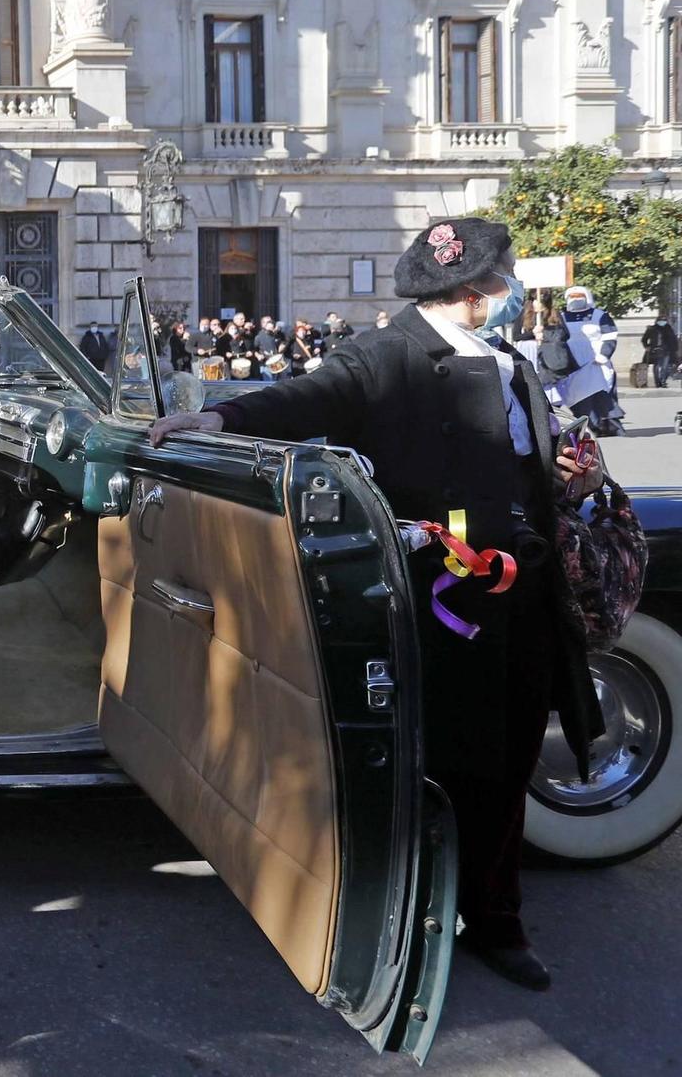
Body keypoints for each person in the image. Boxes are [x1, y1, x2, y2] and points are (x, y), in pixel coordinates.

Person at [148, 217, 603, 993]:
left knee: (514, 755)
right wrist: (218, 417)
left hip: (525, 594)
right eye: (506, 279)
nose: (516, 290)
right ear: (468, 293)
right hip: (443, 605)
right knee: (444, 765)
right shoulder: (388, 352)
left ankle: (496, 919)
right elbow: (307, 395)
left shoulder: (506, 353)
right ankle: (416, 925)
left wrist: (576, 474)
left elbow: (531, 463)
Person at [558, 285, 622, 433]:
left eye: (579, 296)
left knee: (600, 393)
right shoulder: (561, 316)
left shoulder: (599, 315)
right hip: (574, 364)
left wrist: (603, 355)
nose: (576, 299)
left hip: (596, 362)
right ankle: (588, 424)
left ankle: (606, 425)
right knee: (578, 396)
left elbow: (610, 336)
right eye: (572, 297)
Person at [644, 312, 677, 389]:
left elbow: (673, 340)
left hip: (666, 351)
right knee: (656, 367)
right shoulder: (652, 329)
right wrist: (647, 346)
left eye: (664, 320)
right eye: (660, 320)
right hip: (655, 350)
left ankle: (663, 381)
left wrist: (674, 350)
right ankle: (657, 382)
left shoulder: (669, 329)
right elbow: (644, 339)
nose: (662, 322)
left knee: (665, 367)